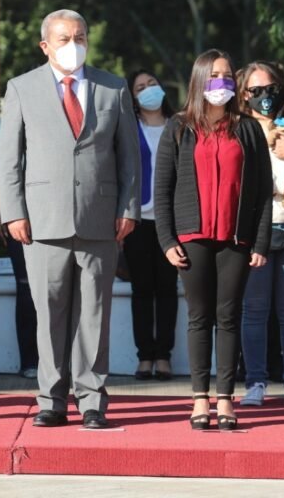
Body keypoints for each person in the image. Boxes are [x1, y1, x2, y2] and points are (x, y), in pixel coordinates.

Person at [0, 9, 140, 429]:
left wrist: (127, 208)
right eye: (63, 38)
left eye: (79, 36)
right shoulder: (22, 88)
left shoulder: (113, 88)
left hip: (100, 218)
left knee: (94, 314)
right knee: (50, 314)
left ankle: (92, 399)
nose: (72, 44)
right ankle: (51, 399)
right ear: (45, 45)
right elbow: (9, 160)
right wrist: (14, 213)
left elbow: (129, 158)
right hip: (41, 222)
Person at [153, 49, 271, 431]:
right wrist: (167, 238)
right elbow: (163, 187)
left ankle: (225, 398)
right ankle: (199, 397)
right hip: (192, 238)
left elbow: (263, 192)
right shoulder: (178, 127)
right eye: (214, 75)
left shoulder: (248, 128)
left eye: (227, 75)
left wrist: (260, 242)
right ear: (199, 79)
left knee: (229, 316)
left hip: (236, 239)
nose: (221, 82)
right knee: (199, 317)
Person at [236, 61, 284, 408]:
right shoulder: (237, 128)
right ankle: (255, 382)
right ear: (243, 94)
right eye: (256, 91)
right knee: (254, 310)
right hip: (257, 230)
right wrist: (276, 186)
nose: (264, 96)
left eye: (270, 89)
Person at [123, 69, 178, 381]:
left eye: (152, 84)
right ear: (133, 97)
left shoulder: (179, 125)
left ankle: (164, 356)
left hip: (171, 221)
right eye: (140, 87)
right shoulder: (129, 128)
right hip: (138, 219)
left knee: (168, 289)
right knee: (142, 290)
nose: (147, 91)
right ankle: (145, 356)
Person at [0, 118, 38, 379]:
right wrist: (0, 214)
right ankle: (30, 360)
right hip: (20, 216)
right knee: (26, 286)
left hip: (56, 214)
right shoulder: (2, 126)